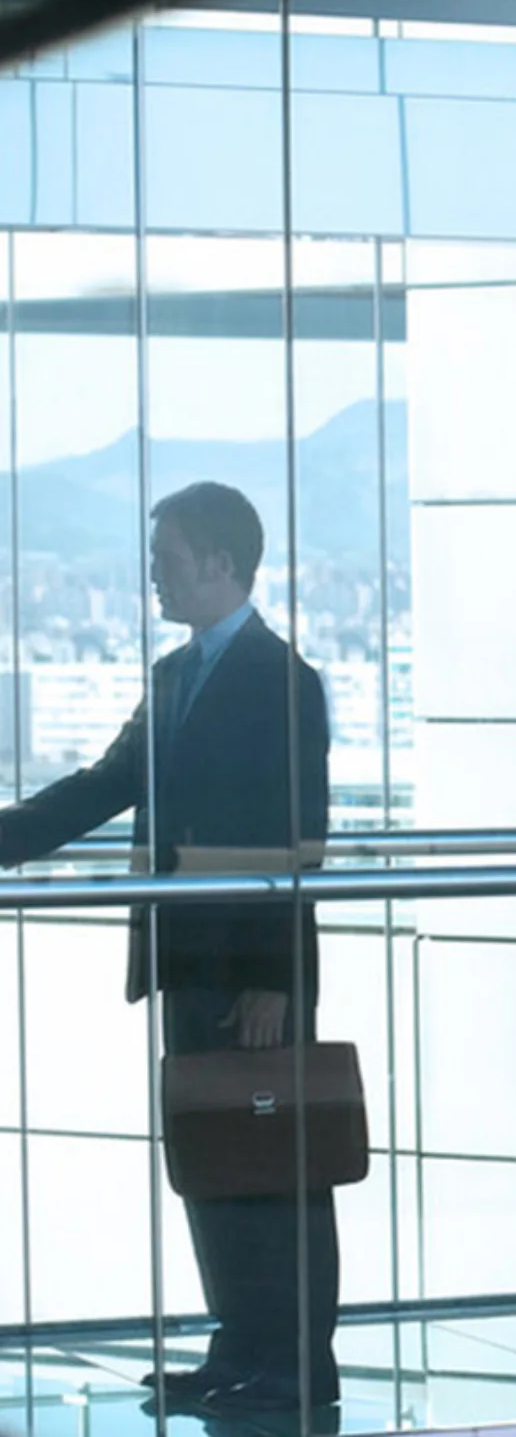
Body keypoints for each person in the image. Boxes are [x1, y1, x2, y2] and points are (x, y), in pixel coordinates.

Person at [0, 483, 338, 1416]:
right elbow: (105, 785)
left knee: (275, 1171)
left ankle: (295, 1367)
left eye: (169, 560)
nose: (154, 576)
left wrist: (276, 976)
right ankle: (238, 1349)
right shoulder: (174, 674)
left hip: (252, 973)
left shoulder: (282, 677)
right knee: (211, 1159)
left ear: (224, 565)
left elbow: (298, 832)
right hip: (186, 958)